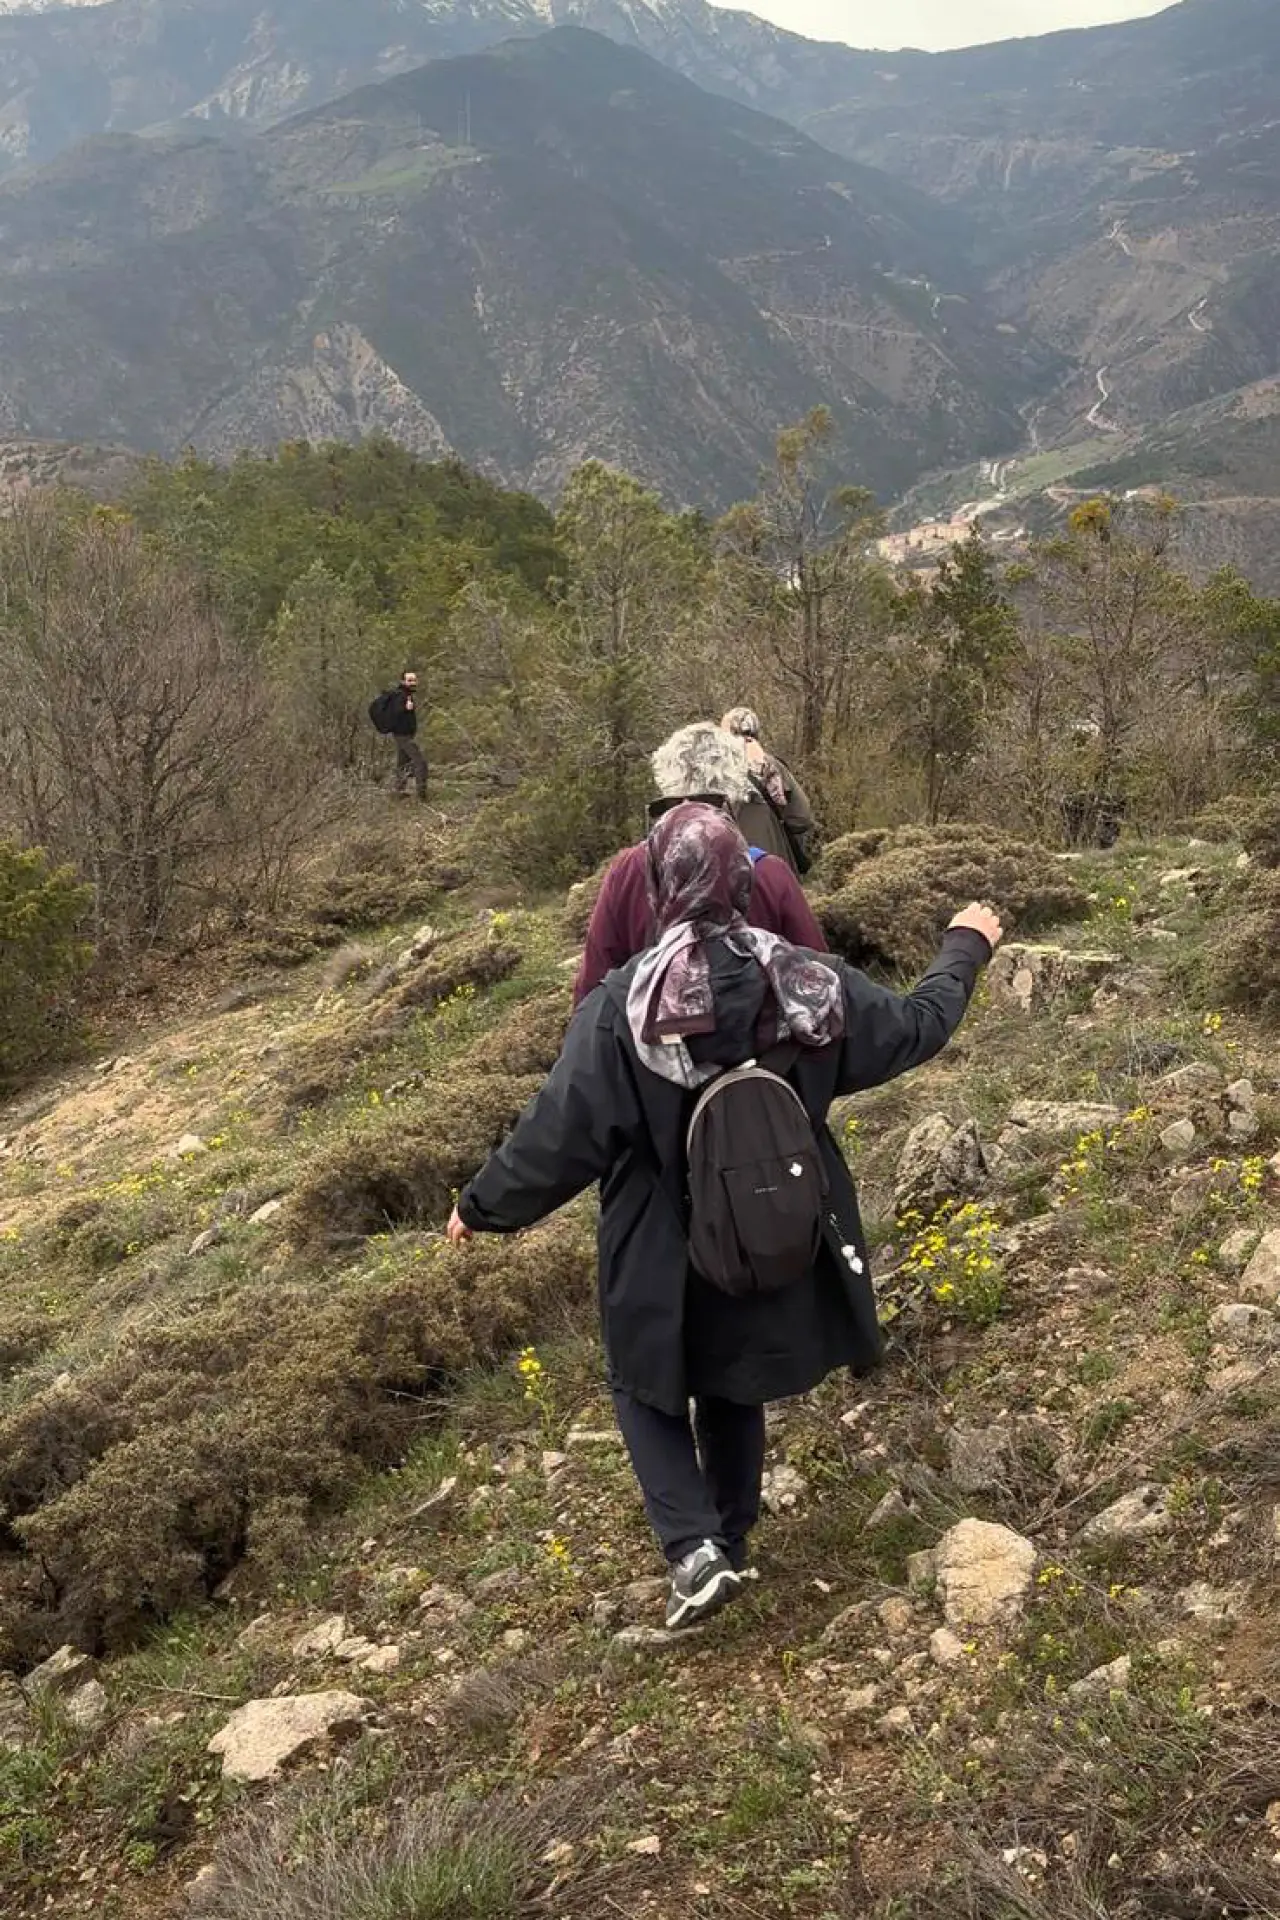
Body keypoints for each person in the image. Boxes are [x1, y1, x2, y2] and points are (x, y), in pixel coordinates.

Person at [449, 804, 1002, 1630]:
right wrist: (966, 944)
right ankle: (731, 1540)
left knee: (646, 1385)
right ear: (745, 884)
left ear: (658, 885)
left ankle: (694, 1550)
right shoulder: (809, 983)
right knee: (733, 1374)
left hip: (657, 1240)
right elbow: (918, 1027)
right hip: (774, 1224)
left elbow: (555, 1136)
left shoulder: (621, 1006)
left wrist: (480, 1208)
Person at [574, 722, 825, 1004]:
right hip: (757, 1040)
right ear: (733, 794)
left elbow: (593, 987)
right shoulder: (769, 873)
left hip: (649, 1039)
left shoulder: (628, 870)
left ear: (667, 784)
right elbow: (818, 975)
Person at [721, 707, 816, 874]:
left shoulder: (715, 772)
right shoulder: (774, 767)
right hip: (777, 865)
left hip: (733, 868)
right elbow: (802, 818)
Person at [376, 670, 428, 801]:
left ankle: (398, 792)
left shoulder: (406, 694)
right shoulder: (401, 696)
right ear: (403, 682)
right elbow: (396, 712)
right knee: (420, 763)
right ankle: (422, 795)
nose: (412, 683)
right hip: (403, 736)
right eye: (409, 680)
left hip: (405, 735)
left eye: (414, 680)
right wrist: (406, 708)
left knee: (402, 764)